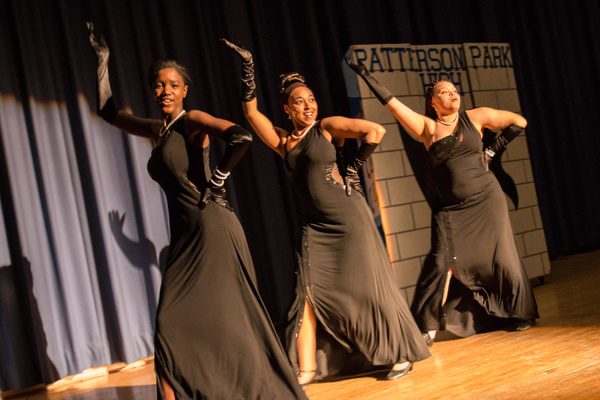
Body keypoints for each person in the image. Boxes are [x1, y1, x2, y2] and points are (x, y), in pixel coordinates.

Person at [87, 23, 307, 400]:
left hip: (212, 227)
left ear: (184, 90)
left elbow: (241, 137)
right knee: (174, 326)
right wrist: (103, 61)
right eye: (159, 84)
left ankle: (263, 386)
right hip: (185, 236)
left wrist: (219, 179)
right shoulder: (159, 129)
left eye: (173, 85)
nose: (165, 90)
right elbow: (108, 111)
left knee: (186, 322)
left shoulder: (191, 121)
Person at [222, 39, 431, 386]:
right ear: (287, 110)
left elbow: (374, 131)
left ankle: (398, 352)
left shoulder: (327, 127)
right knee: (307, 291)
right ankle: (307, 368)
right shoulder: (284, 142)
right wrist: (248, 70)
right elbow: (251, 114)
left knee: (369, 289)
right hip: (315, 227)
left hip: (349, 220)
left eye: (311, 100)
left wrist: (354, 167)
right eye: (299, 103)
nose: (307, 106)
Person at [345, 57, 539, 345]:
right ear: (433, 102)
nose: (453, 93)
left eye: (454, 90)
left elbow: (518, 122)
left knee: (502, 256)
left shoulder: (476, 117)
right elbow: (392, 104)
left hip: (487, 199)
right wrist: (364, 73)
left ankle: (520, 312)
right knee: (440, 262)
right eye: (445, 92)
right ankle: (427, 327)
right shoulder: (428, 128)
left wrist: (491, 151)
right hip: (451, 209)